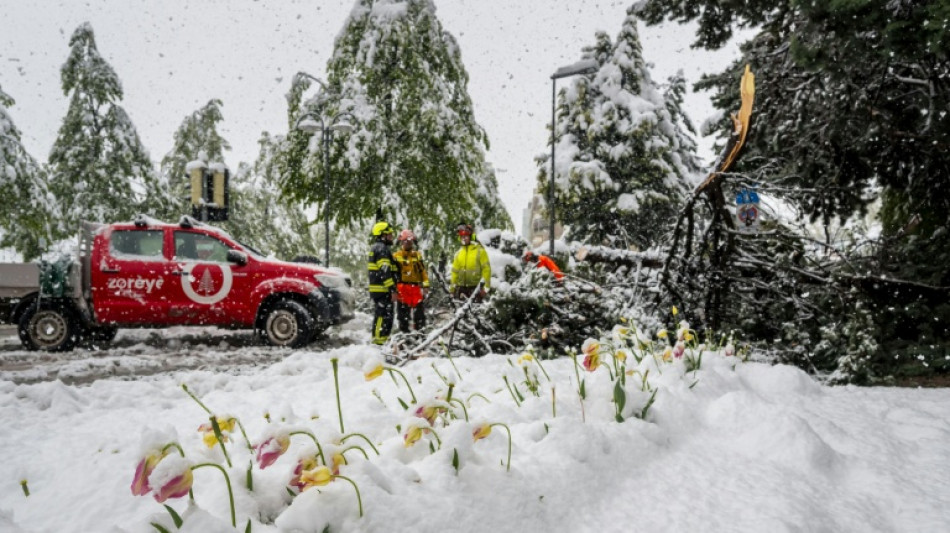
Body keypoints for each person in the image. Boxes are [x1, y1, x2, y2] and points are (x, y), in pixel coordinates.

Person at [393, 229, 430, 332]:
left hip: (415, 288)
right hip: (402, 288)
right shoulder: (396, 256)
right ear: (401, 242)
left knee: (419, 314)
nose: (407, 243)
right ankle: (404, 335)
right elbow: (393, 274)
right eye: (405, 241)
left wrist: (426, 285)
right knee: (403, 315)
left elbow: (422, 271)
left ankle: (420, 333)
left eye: (409, 241)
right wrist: (393, 289)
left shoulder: (417, 255)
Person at [367, 221, 398, 345]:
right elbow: (385, 272)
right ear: (382, 235)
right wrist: (392, 289)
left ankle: (382, 340)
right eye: (389, 234)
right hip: (382, 290)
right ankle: (378, 341)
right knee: (382, 316)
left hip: (381, 289)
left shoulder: (379, 248)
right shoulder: (381, 249)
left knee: (386, 316)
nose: (391, 236)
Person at [450, 222, 491, 301]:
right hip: (461, 290)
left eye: (465, 236)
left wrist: (486, 288)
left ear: (470, 236)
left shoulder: (480, 251)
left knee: (476, 312)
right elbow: (454, 273)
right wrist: (452, 289)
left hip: (476, 290)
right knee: (461, 312)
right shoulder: (459, 254)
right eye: (462, 236)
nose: (464, 238)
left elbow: (487, 270)